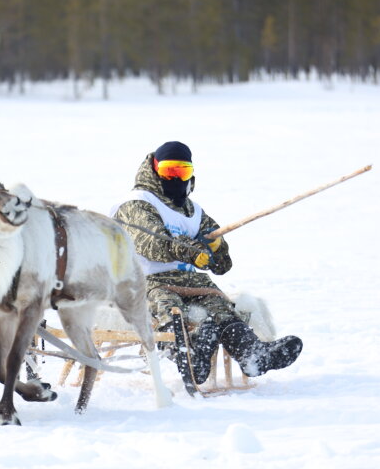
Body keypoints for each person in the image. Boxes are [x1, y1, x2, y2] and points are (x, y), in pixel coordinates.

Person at [113, 141, 302, 394]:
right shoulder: (136, 203)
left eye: (182, 172)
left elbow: (221, 265)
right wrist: (191, 252)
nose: (175, 179)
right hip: (143, 281)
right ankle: (189, 357)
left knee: (219, 305)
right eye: (170, 171)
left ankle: (252, 355)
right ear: (155, 170)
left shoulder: (193, 211)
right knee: (168, 307)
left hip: (189, 281)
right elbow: (151, 242)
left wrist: (216, 250)